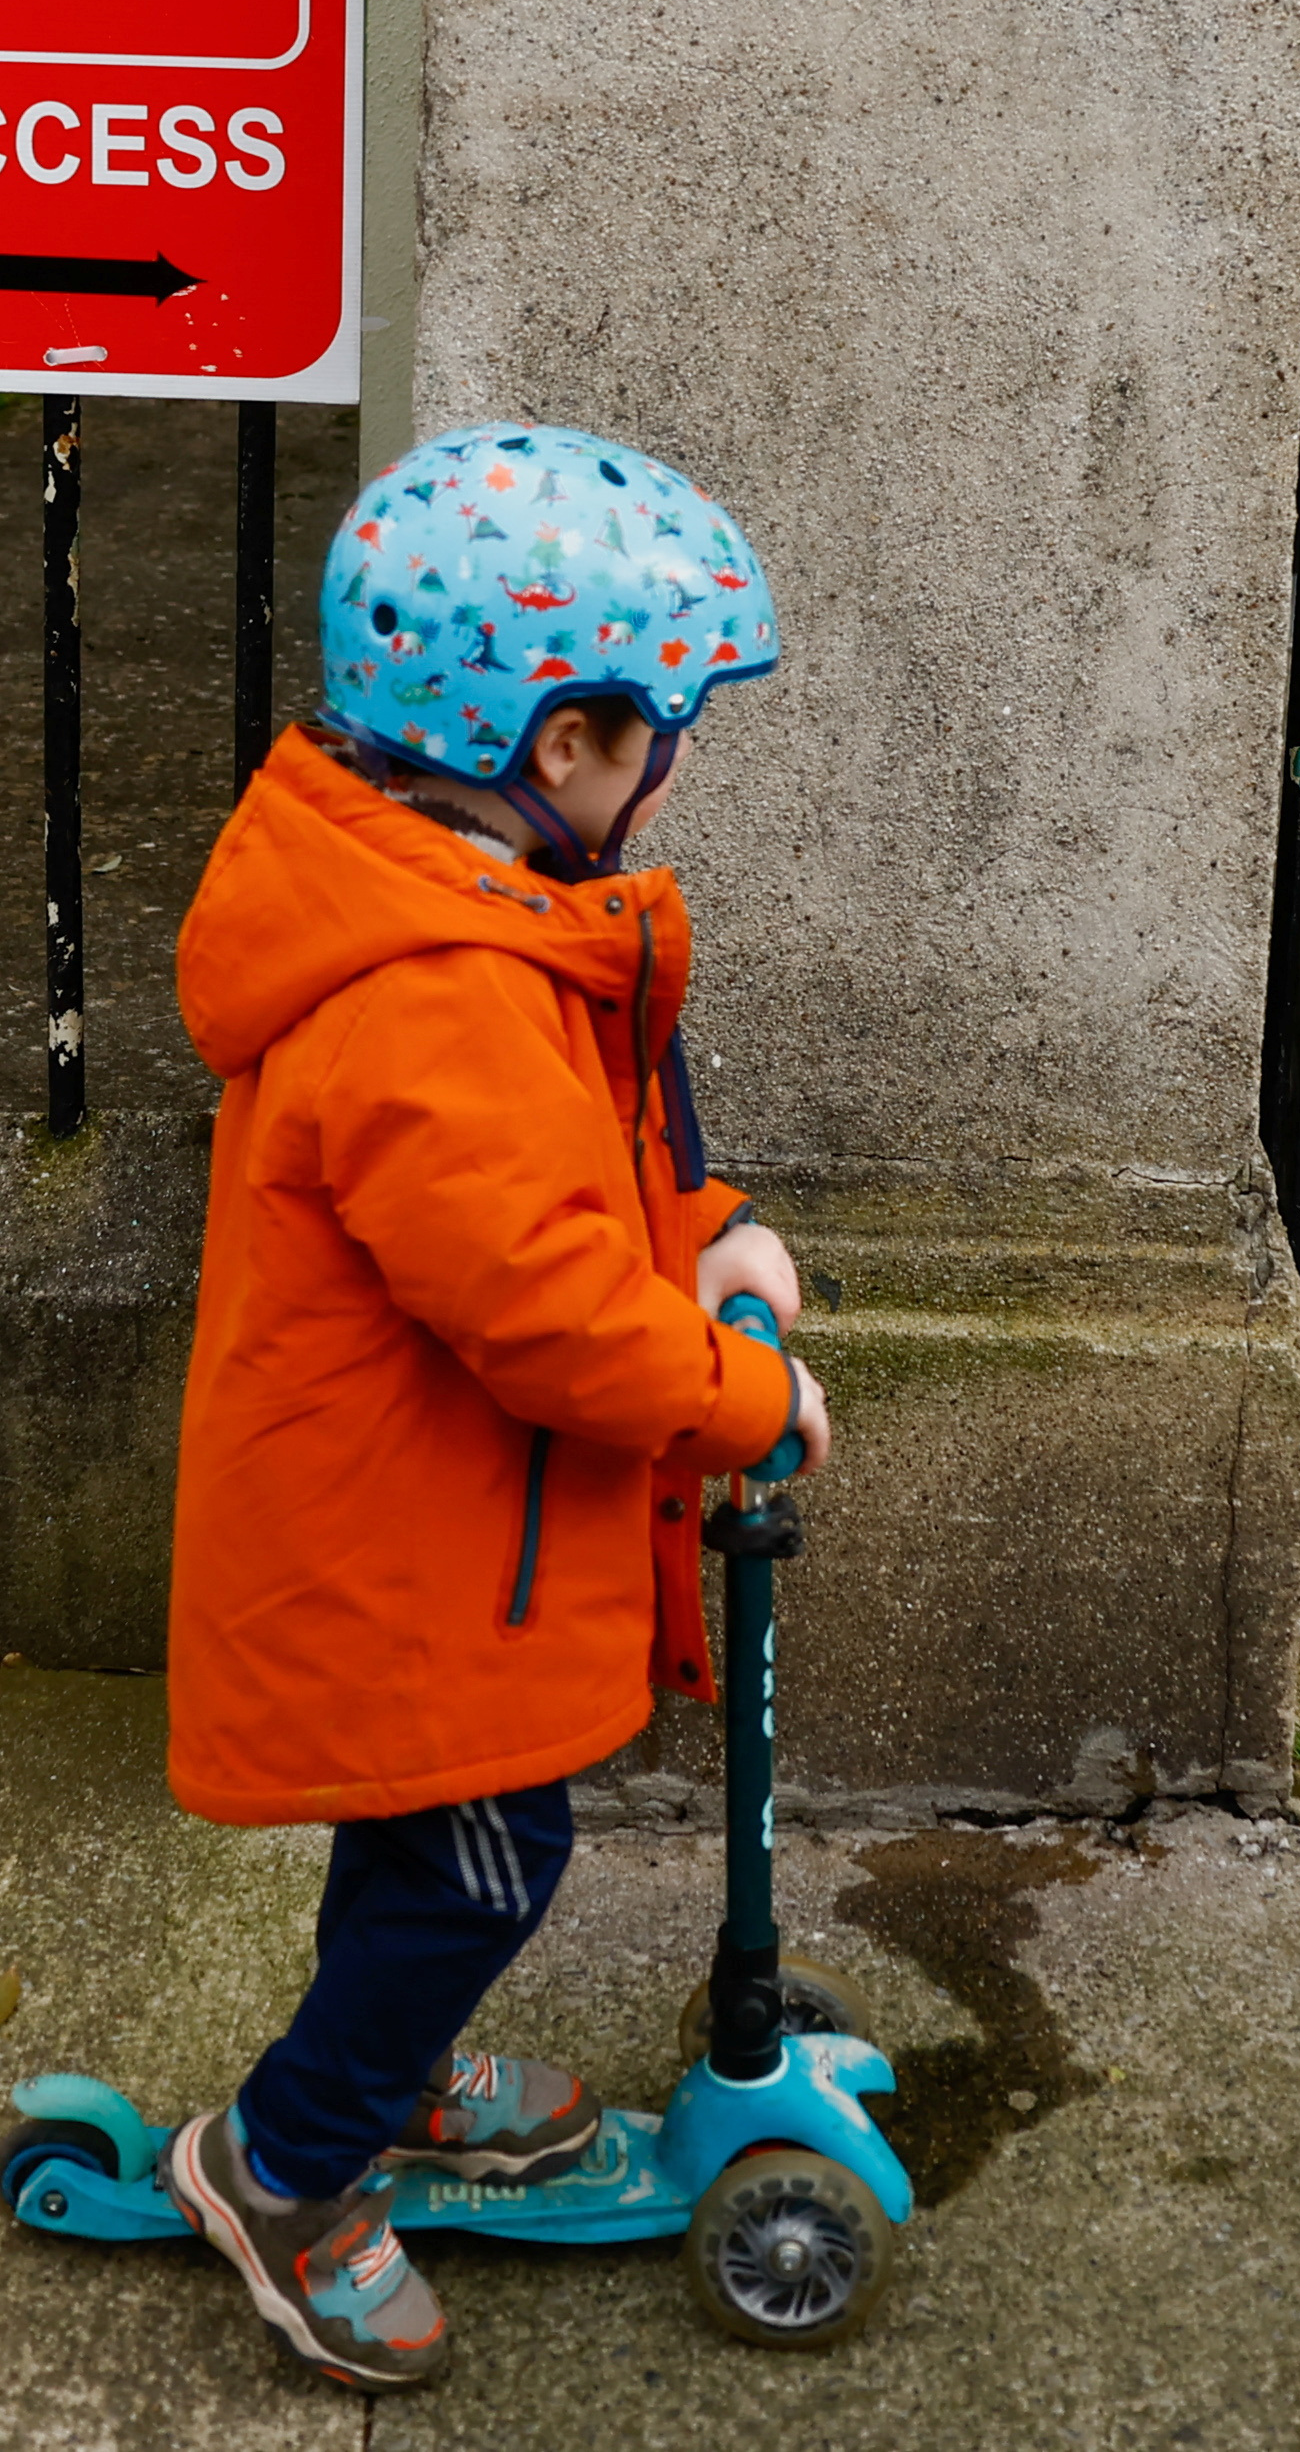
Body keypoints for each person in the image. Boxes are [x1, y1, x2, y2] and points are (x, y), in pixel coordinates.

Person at [151, 422, 830, 2392]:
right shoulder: (426, 996)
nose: (676, 762)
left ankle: (398, 2064)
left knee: (433, 1843)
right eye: (660, 728)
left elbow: (578, 1185)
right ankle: (281, 2159)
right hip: (408, 1550)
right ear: (559, 746)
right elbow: (539, 1309)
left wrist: (705, 1228)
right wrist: (739, 1391)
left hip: (447, 1525)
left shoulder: (471, 911)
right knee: (481, 1859)